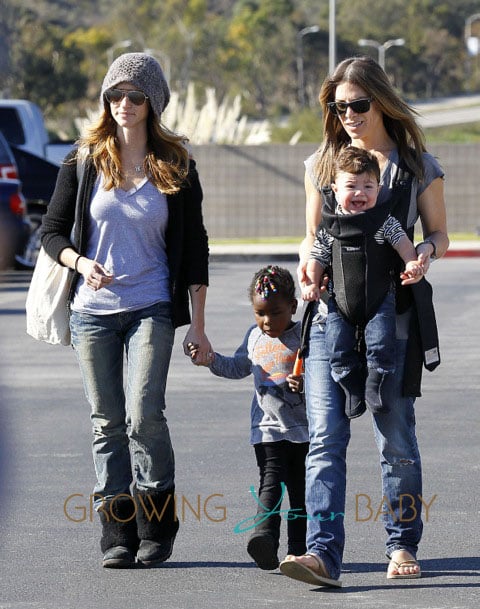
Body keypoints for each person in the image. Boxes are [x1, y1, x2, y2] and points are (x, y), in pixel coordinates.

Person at [279, 55, 448, 588]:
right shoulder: (321, 165)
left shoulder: (416, 165)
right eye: (338, 105)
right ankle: (322, 554)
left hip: (393, 320)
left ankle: (401, 542)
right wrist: (307, 267)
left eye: (357, 104)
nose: (347, 113)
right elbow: (313, 236)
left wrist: (422, 253)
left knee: (394, 436)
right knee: (325, 438)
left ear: (381, 101)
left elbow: (441, 234)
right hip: (331, 318)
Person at [41, 52, 211, 568]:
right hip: (92, 310)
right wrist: (80, 260)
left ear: (153, 103)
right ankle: (116, 533)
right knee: (105, 422)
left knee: (144, 416)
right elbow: (49, 232)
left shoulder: (177, 165)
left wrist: (198, 325)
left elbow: (196, 249)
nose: (124, 104)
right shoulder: (84, 159)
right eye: (115, 95)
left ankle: (156, 525)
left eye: (135, 96)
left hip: (151, 306)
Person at [189, 266, 309, 571]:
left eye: (275, 312)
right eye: (260, 313)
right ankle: (264, 538)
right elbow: (237, 367)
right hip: (266, 429)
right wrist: (210, 359)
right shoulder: (254, 337)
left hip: (302, 431)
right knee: (271, 483)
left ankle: (298, 551)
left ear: (293, 307)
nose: (267, 321)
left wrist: (305, 382)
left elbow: (323, 375)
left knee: (299, 491)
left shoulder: (305, 336)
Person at [302, 146, 425, 419]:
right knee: (337, 346)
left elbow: (403, 244)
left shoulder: (383, 221)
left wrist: (412, 262)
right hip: (339, 302)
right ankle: (351, 388)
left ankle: (375, 384)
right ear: (335, 189)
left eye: (368, 186)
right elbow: (317, 257)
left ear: (379, 189)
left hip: (380, 298)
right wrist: (311, 283)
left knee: (381, 343)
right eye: (351, 186)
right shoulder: (331, 225)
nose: (360, 193)